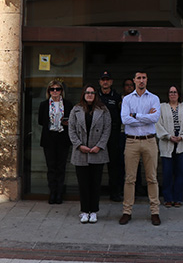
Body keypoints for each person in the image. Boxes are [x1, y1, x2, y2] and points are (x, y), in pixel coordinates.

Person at [119, 70, 162, 226]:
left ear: (147, 80)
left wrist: (135, 115)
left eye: (144, 78)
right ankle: (127, 211)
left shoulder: (154, 98)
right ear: (134, 80)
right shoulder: (127, 99)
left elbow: (155, 118)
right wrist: (144, 117)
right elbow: (124, 119)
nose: (141, 80)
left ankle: (155, 212)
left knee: (152, 178)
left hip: (150, 141)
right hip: (131, 141)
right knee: (130, 178)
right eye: (139, 78)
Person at [68, 85, 111, 223]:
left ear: (95, 95)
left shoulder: (103, 110)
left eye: (92, 93)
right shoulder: (76, 109)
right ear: (83, 94)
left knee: (95, 183)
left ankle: (94, 211)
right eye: (87, 92)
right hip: (81, 152)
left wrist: (99, 146)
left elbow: (107, 129)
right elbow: (72, 130)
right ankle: (84, 210)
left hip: (97, 152)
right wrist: (79, 145)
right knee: (83, 183)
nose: (90, 95)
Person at [157, 85, 183, 207]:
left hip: (181, 144)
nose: (173, 94)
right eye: (170, 92)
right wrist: (168, 136)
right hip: (167, 145)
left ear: (179, 94)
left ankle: (178, 198)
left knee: (180, 172)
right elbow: (158, 124)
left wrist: (182, 136)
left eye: (175, 92)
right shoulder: (162, 107)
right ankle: (168, 198)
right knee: (167, 172)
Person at [38, 79, 73, 204]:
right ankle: (52, 193)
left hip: (63, 137)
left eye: (57, 89)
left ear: (61, 91)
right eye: (52, 89)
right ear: (49, 91)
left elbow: (72, 120)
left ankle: (59, 194)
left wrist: (66, 123)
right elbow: (41, 121)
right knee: (51, 167)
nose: (55, 92)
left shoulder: (68, 105)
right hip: (49, 138)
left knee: (61, 167)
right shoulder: (44, 104)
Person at [97, 71, 124, 202]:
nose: (105, 82)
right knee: (97, 165)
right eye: (103, 80)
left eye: (107, 79)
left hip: (113, 135)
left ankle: (115, 193)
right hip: (97, 135)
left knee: (114, 165)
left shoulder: (117, 97)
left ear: (111, 82)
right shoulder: (95, 96)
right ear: (100, 82)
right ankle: (95, 193)